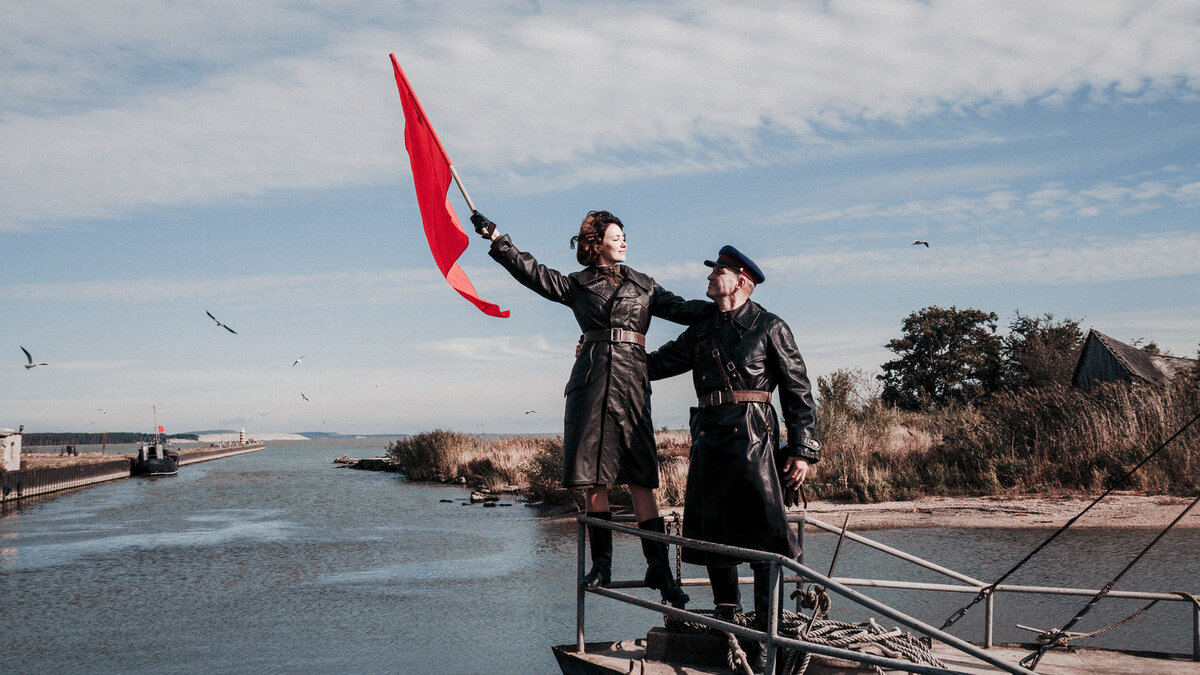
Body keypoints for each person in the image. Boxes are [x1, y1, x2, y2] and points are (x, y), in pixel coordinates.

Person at [470, 209, 711, 607]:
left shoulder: (646, 286)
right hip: (592, 383)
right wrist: (498, 240)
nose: (625, 242)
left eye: (624, 236)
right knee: (593, 479)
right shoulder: (577, 285)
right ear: (597, 242)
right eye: (617, 236)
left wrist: (728, 307)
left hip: (632, 382)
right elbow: (535, 274)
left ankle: (660, 569)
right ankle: (602, 564)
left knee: (641, 478)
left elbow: (687, 310)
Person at [646, 245, 821, 624]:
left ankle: (767, 625)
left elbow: (798, 391)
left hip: (755, 440)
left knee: (764, 538)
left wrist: (803, 450)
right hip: (708, 442)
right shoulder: (702, 330)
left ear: (741, 281)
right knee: (714, 535)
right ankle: (729, 619)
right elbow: (656, 364)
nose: (710, 277)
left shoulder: (770, 325)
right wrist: (610, 351)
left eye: (718, 272)